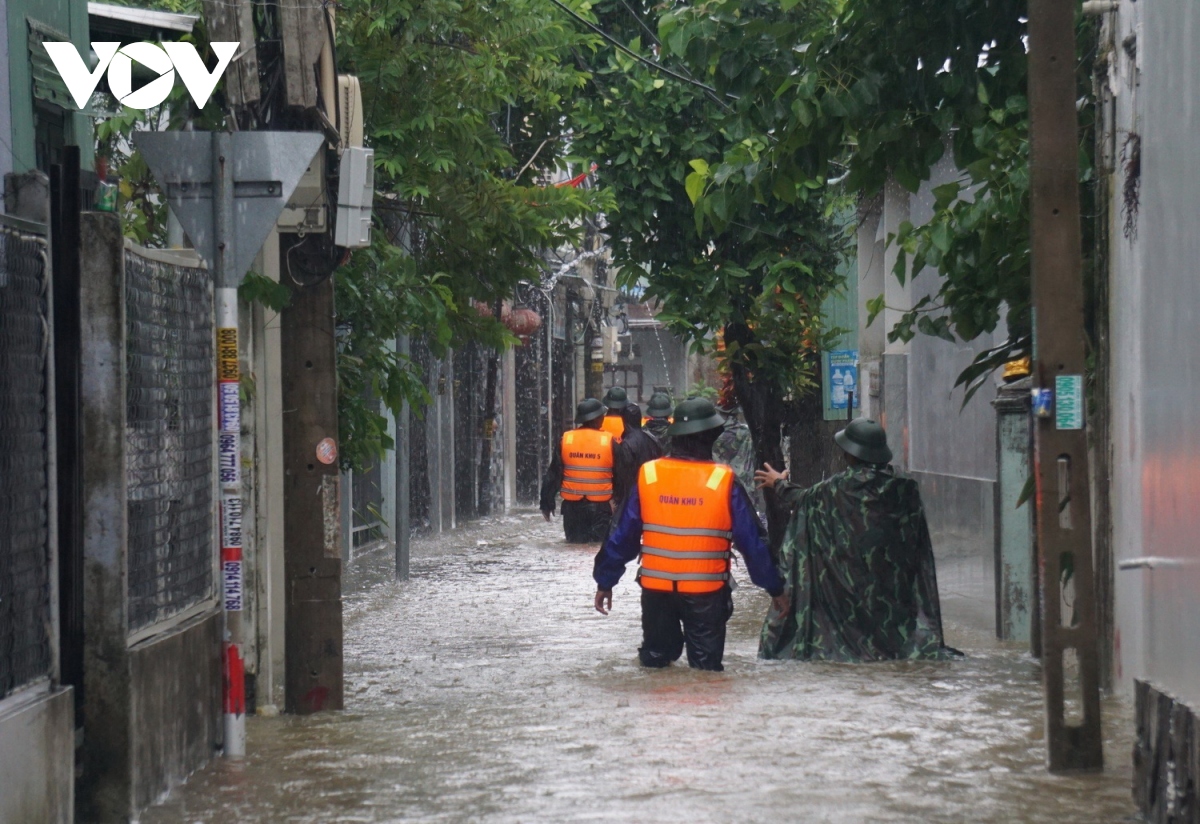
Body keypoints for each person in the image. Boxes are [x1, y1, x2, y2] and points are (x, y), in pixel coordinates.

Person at [594, 398, 789, 671]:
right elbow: (752, 543)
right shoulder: (723, 480)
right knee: (706, 673)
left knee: (655, 667)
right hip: (706, 596)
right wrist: (775, 587)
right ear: (712, 436)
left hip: (657, 593)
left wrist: (605, 581)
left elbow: (621, 536)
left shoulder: (649, 475)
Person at [753, 417, 959, 662]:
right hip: (891, 581)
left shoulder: (835, 488)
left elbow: (802, 498)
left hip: (846, 583)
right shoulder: (906, 489)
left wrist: (778, 482)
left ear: (850, 455)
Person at [540, 399, 616, 543]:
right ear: (596, 418)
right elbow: (621, 474)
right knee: (597, 549)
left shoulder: (566, 440)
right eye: (601, 416)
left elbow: (554, 474)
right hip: (600, 509)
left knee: (574, 547)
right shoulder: (609, 441)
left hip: (572, 510)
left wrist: (546, 503)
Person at [612, 402, 663, 509]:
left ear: (624, 420)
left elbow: (622, 476)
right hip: (650, 493)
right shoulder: (651, 439)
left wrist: (618, 499)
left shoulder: (627, 445)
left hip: (631, 497)